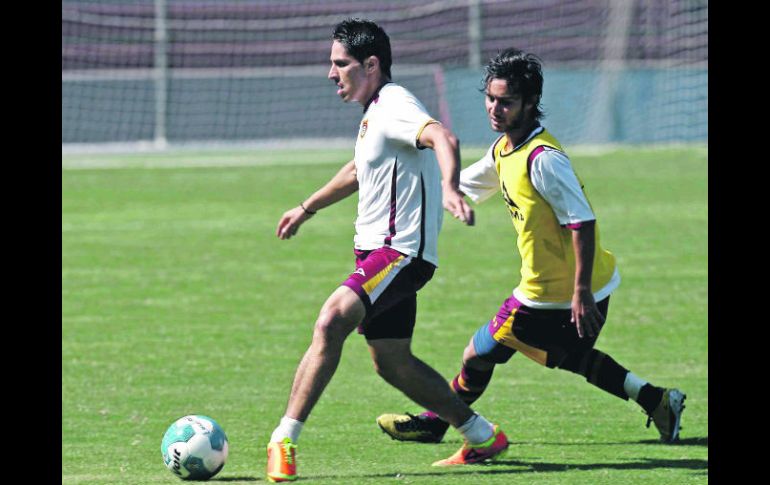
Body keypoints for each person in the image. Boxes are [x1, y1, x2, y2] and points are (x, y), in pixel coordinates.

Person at [376, 48, 686, 447]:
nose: (495, 108)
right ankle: (658, 400)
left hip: (553, 293)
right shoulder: (504, 150)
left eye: (506, 102)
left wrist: (580, 294)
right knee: (568, 357)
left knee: (477, 353)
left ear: (531, 102)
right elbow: (460, 188)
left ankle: (440, 425)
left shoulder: (543, 159)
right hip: (579, 285)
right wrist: (413, 200)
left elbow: (583, 222)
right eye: (490, 98)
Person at [265, 18, 510, 483]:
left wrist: (452, 188)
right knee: (391, 361)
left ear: (371, 65)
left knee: (331, 320)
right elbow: (357, 171)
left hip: (398, 254)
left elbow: (443, 136)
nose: (331, 73)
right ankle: (481, 435)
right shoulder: (376, 112)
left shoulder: (396, 105)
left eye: (341, 64)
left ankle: (284, 439)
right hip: (380, 255)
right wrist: (306, 207)